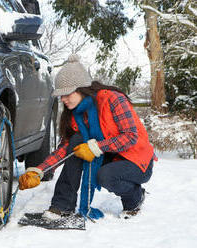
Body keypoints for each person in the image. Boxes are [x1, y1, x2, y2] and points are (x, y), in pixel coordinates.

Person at [19, 54, 156, 220]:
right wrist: (40, 170)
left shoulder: (113, 99)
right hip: (110, 157)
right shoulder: (76, 114)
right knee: (76, 142)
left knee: (106, 175)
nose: (63, 99)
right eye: (61, 95)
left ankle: (135, 197)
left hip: (137, 161)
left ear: (82, 89)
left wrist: (97, 147)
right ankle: (62, 206)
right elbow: (66, 149)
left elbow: (130, 137)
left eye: (67, 94)